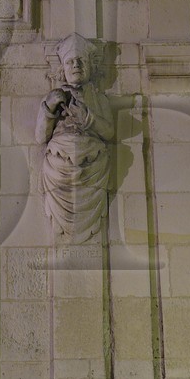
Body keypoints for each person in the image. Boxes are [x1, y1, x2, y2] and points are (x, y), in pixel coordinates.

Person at [35, 34, 115, 244]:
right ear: (62, 68)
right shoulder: (53, 96)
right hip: (59, 164)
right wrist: (49, 108)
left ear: (90, 67)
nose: (76, 65)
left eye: (81, 61)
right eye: (70, 62)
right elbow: (40, 136)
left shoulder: (99, 98)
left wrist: (87, 118)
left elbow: (108, 132)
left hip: (92, 163)